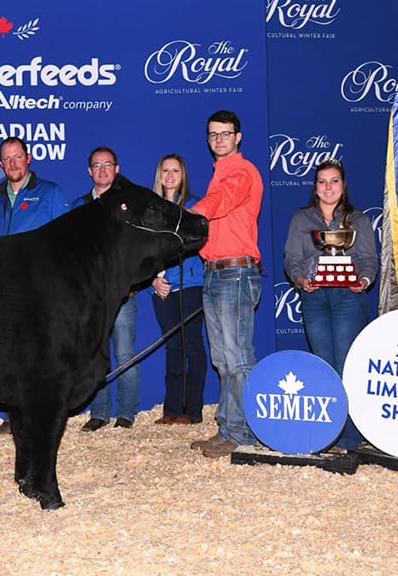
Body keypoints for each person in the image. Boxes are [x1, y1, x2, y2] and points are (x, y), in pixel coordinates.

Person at [283, 157, 377, 451]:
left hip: (348, 297)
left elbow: (368, 259)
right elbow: (292, 259)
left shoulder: (358, 220)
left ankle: (350, 437)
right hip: (314, 297)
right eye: (322, 182)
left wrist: (362, 281)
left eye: (334, 181)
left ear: (343, 185)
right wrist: (300, 280)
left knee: (347, 363)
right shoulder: (301, 219)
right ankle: (326, 433)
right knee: (324, 365)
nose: (328, 187)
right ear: (315, 187)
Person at [188, 110, 264, 458]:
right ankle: (227, 428)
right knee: (222, 358)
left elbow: (219, 204)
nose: (218, 140)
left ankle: (245, 432)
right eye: (212, 134)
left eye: (225, 133)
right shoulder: (218, 174)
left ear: (239, 137)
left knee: (237, 357)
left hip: (235, 272)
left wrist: (186, 216)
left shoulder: (242, 172)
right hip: (216, 271)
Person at [0, 136, 70, 436]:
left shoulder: (50, 193)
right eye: (6, 159)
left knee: (41, 355)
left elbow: (67, 243)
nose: (13, 164)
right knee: (10, 356)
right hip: (2, 291)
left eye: (17, 157)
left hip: (40, 291)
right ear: (0, 163)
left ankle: (44, 414)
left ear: (29, 158)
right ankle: (14, 416)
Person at [76, 146, 142, 431]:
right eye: (96, 165)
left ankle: (126, 413)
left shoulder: (129, 208)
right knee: (94, 355)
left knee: (125, 354)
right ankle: (99, 413)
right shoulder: (79, 208)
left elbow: (139, 251)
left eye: (108, 165)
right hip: (91, 297)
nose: (102, 170)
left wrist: (131, 283)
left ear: (117, 169)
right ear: (89, 171)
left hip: (122, 294)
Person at [149, 154, 207, 425]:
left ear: (182, 176)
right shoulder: (150, 209)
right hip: (161, 286)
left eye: (175, 171)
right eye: (165, 170)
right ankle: (171, 409)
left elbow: (199, 243)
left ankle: (192, 410)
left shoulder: (193, 205)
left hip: (190, 282)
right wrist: (152, 278)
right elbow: (143, 249)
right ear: (159, 175)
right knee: (173, 347)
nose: (170, 176)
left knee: (192, 345)